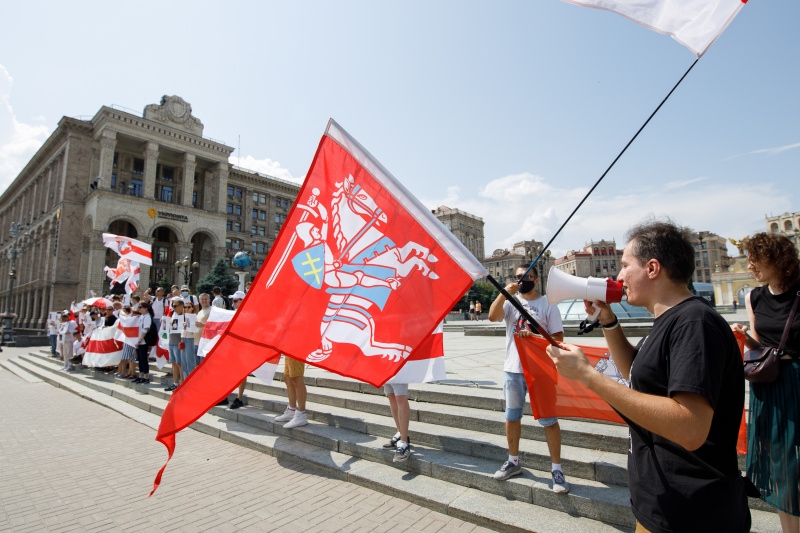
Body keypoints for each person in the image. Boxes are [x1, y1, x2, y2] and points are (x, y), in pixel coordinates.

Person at [547, 220, 750, 533]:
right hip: (662, 503)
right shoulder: (673, 320)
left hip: (693, 513)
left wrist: (588, 376)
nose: (619, 276)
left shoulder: (694, 323)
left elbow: (690, 427)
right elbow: (638, 373)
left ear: (653, 268)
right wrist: (608, 320)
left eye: (626, 265)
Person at [732, 232, 800, 532]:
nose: (751, 267)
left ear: (779, 261)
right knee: (782, 468)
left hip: (797, 382)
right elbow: (758, 346)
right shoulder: (754, 297)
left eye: (756, 260)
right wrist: (744, 336)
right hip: (768, 387)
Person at [488, 265, 568, 493]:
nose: (523, 280)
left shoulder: (547, 304)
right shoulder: (511, 301)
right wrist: (504, 292)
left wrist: (533, 337)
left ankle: (556, 469)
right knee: (512, 417)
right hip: (513, 369)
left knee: (549, 420)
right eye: (519, 277)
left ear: (535, 279)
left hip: (540, 370)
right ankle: (513, 461)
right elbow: (493, 316)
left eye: (527, 277)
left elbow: (558, 337)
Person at [228, 291, 252, 410]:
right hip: (233, 346)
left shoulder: (247, 314)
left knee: (241, 372)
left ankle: (239, 397)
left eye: (236, 300)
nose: (233, 303)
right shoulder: (233, 313)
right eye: (233, 300)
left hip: (243, 347)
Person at [381, 383, 411, 462]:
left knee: (400, 396)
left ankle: (404, 441)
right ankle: (400, 432)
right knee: (391, 395)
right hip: (386, 370)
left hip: (400, 371)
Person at [165, 297, 184, 392]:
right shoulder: (173, 314)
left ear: (181, 306)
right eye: (172, 306)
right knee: (173, 363)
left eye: (175, 306)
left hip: (178, 342)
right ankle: (175, 383)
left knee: (179, 363)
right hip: (171, 341)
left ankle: (182, 383)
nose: (173, 307)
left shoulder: (184, 316)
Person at [134, 302, 154, 384]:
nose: (139, 308)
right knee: (140, 359)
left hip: (143, 341)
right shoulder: (142, 316)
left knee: (143, 359)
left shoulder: (147, 317)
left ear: (146, 308)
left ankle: (146, 376)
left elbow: (146, 328)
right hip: (139, 340)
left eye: (141, 307)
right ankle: (141, 375)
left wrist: (140, 340)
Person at [180, 300, 198, 377]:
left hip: (190, 339)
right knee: (184, 364)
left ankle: (190, 383)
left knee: (190, 363)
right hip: (183, 339)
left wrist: (189, 326)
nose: (186, 309)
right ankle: (185, 382)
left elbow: (195, 331)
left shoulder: (194, 317)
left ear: (192, 308)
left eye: (189, 307)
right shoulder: (183, 317)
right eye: (185, 307)